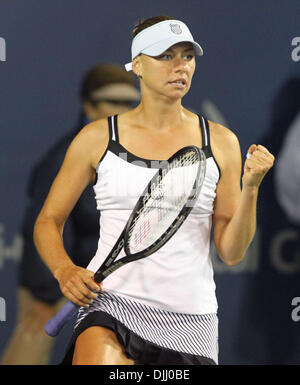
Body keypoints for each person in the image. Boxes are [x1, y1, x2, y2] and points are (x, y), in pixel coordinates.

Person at [33, 15, 274, 365]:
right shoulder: (96, 138)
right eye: (166, 56)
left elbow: (232, 252)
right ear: (137, 66)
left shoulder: (221, 143)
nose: (181, 66)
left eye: (188, 56)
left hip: (192, 322)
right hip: (112, 305)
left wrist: (251, 188)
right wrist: (64, 269)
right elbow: (48, 221)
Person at [1, 63, 140, 365]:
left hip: (106, 283)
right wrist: (46, 292)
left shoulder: (130, 159)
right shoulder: (67, 158)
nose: (122, 110)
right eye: (112, 102)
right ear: (88, 105)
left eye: (128, 102)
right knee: (29, 348)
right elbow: (44, 223)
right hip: (57, 279)